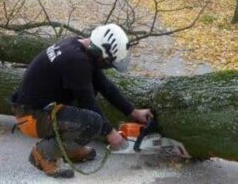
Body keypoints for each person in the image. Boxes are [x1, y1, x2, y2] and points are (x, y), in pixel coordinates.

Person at [9, 24, 152, 178]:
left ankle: (69, 148)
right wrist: (111, 134)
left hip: (40, 108)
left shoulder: (77, 47)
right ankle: (44, 153)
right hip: (32, 117)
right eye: (107, 63)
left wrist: (133, 111)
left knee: (92, 102)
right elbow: (88, 103)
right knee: (93, 122)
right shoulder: (75, 61)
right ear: (100, 54)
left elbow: (104, 85)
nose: (106, 67)